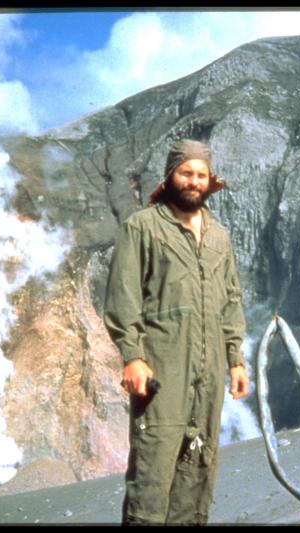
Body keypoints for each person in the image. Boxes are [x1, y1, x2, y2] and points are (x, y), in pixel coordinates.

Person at [103, 139, 250, 525]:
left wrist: (235, 359)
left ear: (209, 181)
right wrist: (133, 356)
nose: (194, 181)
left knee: (198, 472)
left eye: (201, 175)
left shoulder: (219, 235)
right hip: (162, 371)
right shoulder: (142, 227)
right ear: (170, 176)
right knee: (152, 476)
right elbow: (124, 295)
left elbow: (231, 299)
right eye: (186, 173)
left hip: (209, 373)